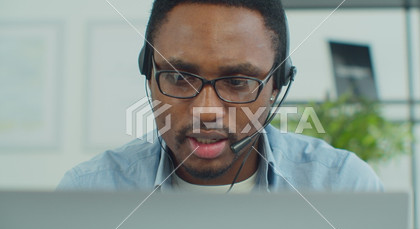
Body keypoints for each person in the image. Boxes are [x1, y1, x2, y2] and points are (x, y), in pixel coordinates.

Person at [58, 0, 383, 192]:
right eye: (178, 77)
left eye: (238, 81)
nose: (206, 110)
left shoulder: (343, 185)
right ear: (148, 72)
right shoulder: (88, 191)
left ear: (277, 85)